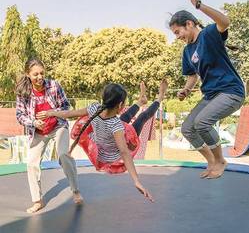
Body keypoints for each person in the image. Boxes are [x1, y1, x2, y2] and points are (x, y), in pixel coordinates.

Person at [37, 80, 168, 202]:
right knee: (142, 118)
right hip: (111, 155)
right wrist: (136, 180)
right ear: (121, 105)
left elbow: (68, 114)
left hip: (101, 145)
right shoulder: (116, 125)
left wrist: (51, 113)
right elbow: (124, 152)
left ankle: (140, 101)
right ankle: (159, 97)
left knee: (125, 117)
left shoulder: (95, 108)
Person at [168, 0, 245, 179]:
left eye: (178, 32)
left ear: (189, 24)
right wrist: (186, 89)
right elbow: (192, 76)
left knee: (202, 123)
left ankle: (220, 160)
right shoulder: (187, 51)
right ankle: (211, 161)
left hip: (230, 91)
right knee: (187, 128)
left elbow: (225, 22)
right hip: (211, 95)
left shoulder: (209, 34)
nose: (177, 36)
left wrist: (199, 5)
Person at [16, 58, 83, 213]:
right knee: (31, 163)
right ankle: (37, 201)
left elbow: (66, 106)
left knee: (63, 155)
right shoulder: (23, 92)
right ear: (28, 74)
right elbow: (20, 115)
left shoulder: (53, 86)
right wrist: (33, 122)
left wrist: (53, 114)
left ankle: (75, 190)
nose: (39, 77)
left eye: (42, 73)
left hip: (58, 127)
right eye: (35, 74)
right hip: (37, 131)